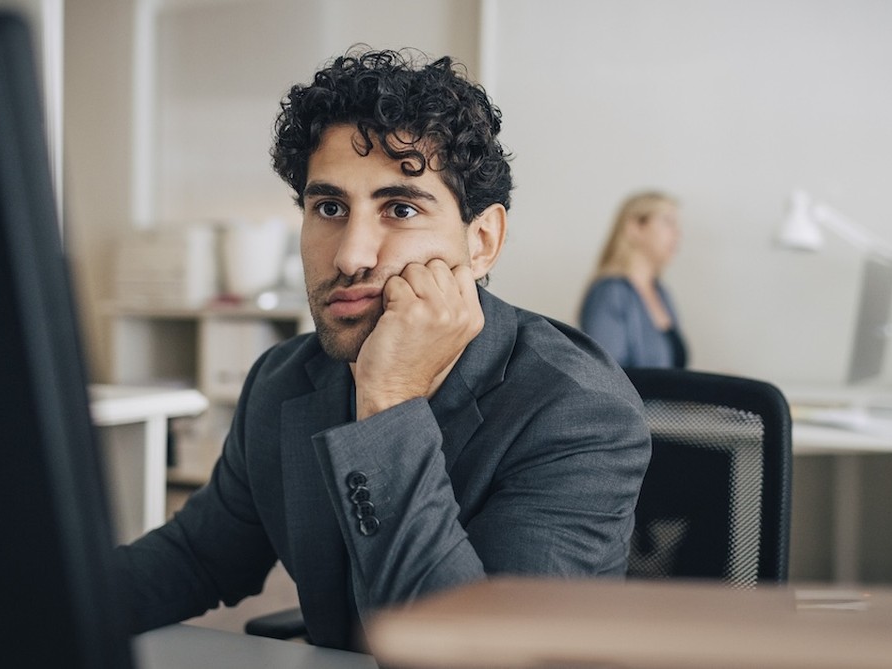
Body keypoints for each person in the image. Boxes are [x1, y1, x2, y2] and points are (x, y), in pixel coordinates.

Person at [113, 48, 651, 652]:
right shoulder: (286, 379)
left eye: (400, 209)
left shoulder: (576, 410)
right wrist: (20, 604)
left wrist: (389, 402)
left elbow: (474, 660)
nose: (350, 255)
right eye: (330, 208)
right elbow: (197, 558)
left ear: (481, 241)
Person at [578, 191, 687, 369]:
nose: (677, 233)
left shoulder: (662, 293)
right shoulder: (610, 292)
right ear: (635, 227)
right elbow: (607, 375)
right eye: (668, 222)